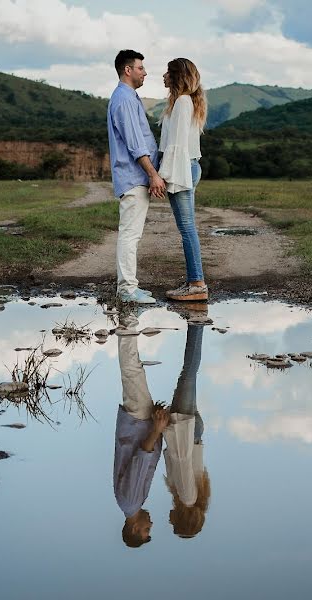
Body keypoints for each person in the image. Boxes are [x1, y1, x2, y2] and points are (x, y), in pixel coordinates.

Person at [107, 49, 165, 305]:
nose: (145, 72)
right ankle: (127, 290)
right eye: (141, 68)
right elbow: (135, 144)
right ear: (128, 70)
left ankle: (129, 287)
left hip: (135, 177)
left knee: (132, 234)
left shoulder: (128, 97)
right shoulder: (125, 99)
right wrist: (153, 174)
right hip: (133, 177)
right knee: (130, 234)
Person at [114, 314, 170, 547]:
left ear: (134, 528)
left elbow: (140, 460)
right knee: (134, 372)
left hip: (137, 423)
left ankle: (127, 320)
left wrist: (156, 430)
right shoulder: (128, 503)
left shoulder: (131, 502)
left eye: (146, 530)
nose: (151, 525)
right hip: (137, 424)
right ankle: (127, 322)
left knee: (132, 371)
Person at [158, 58, 208, 302]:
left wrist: (162, 176)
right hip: (186, 166)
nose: (163, 76)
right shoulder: (184, 101)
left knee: (187, 228)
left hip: (182, 167)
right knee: (187, 227)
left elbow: (176, 145)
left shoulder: (182, 102)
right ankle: (194, 281)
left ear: (177, 76)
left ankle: (197, 283)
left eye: (168, 72)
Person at [162, 323, 211, 538]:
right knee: (188, 373)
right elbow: (181, 459)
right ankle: (197, 323)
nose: (168, 522)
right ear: (182, 519)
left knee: (189, 375)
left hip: (193, 432)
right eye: (174, 526)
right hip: (185, 431)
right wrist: (168, 428)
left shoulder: (196, 497)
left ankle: (197, 325)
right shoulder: (187, 497)